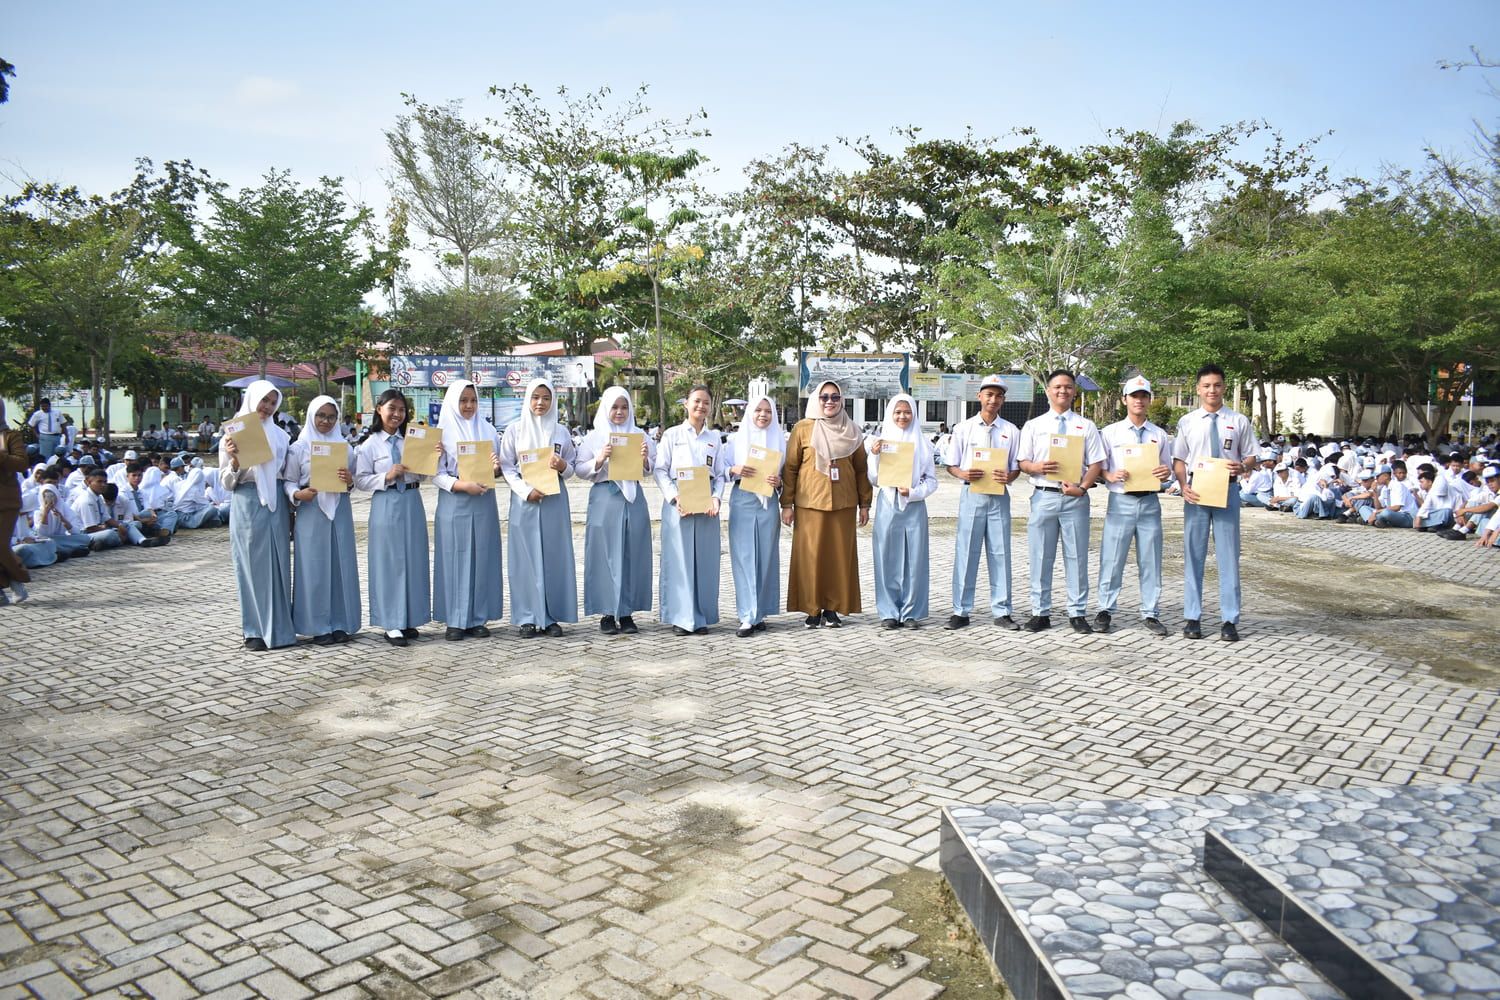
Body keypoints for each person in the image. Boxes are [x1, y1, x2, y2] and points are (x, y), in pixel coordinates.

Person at [1172, 363, 1259, 642]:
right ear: (1198, 389)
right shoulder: (1187, 421)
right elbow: (1178, 460)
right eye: (1206, 385)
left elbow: (1251, 457)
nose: (1212, 390)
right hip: (1197, 493)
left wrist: (1242, 467)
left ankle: (1229, 619)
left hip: (1227, 491)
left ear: (1224, 387)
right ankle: (1192, 617)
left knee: (1228, 556)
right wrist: (1183, 486)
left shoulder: (1239, 420)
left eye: (1217, 385)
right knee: (1193, 555)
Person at [1016, 370, 1107, 633]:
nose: (1062, 391)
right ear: (1047, 391)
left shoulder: (1086, 426)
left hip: (1075, 499)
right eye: (1057, 387)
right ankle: (1039, 611)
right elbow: (1022, 462)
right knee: (1040, 556)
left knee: (1077, 556)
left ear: (1074, 392)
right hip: (1044, 496)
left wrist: (1083, 487)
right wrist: (1037, 465)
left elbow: (1096, 463)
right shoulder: (1034, 426)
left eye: (1068, 387)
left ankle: (1077, 612)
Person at [781, 380, 871, 629]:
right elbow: (790, 468)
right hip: (809, 502)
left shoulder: (852, 430)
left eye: (834, 397)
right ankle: (811, 609)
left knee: (838, 558)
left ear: (842, 400)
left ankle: (832, 609)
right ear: (816, 400)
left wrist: (865, 503)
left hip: (843, 503)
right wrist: (786, 503)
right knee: (810, 557)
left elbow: (861, 469)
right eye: (824, 397)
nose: (829, 402)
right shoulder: (803, 428)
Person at [1095, 376, 1173, 636]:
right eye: (1134, 396)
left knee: (1150, 559)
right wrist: (1109, 476)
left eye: (1144, 396)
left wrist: (1165, 473)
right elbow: (1098, 467)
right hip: (1121, 501)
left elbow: (1167, 470)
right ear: (1124, 399)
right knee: (1113, 557)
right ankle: (1105, 609)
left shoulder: (1159, 435)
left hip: (1150, 501)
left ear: (1150, 400)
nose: (1139, 400)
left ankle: (1150, 612)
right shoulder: (1110, 433)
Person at [219, 380, 295, 650]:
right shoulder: (232, 434)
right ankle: (253, 630)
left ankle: (282, 630)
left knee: (278, 565)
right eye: (264, 400)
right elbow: (226, 483)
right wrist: (235, 463)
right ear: (252, 399)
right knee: (251, 567)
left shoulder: (281, 437)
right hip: (248, 501)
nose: (267, 407)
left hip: (275, 503)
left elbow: (287, 475)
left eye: (273, 402)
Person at [354, 389, 433, 647]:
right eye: (392, 409)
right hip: (386, 502)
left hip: (411, 501)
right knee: (389, 561)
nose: (397, 414)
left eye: (401, 410)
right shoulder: (369, 444)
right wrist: (386, 477)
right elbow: (360, 480)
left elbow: (421, 476)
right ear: (379, 409)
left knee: (413, 558)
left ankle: (410, 618)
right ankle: (391, 622)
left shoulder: (411, 440)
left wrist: (431, 459)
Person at [500, 379, 577, 638]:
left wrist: (562, 466)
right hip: (525, 501)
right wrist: (524, 490)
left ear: (553, 400)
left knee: (554, 557)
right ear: (527, 400)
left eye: (546, 397)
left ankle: (552, 616)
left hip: (555, 500)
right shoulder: (515, 430)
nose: (540, 403)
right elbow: (507, 467)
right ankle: (527, 617)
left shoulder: (561, 432)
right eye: (535, 397)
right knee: (525, 559)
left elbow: (573, 468)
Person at [574, 387, 655, 636]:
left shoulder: (639, 435)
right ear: (606, 409)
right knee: (603, 554)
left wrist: (644, 460)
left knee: (632, 552)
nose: (619, 412)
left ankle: (627, 612)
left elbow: (652, 468)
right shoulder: (594, 437)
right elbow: (579, 469)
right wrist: (599, 459)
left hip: (633, 498)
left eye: (624, 407)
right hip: (605, 497)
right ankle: (608, 613)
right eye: (614, 407)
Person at [943, 376, 1022, 631]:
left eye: (998, 396)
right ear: (979, 396)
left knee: (1000, 553)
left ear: (1003, 400)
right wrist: (963, 474)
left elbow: (1015, 469)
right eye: (989, 394)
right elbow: (951, 465)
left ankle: (1002, 610)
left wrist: (1009, 476)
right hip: (972, 494)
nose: (993, 400)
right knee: (966, 552)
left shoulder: (1011, 431)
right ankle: (960, 610)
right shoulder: (963, 429)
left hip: (999, 496)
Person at [284, 396, 361, 646]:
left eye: (331, 416)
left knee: (341, 564)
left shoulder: (345, 448)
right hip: (311, 507)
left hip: (339, 507)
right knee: (313, 567)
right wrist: (297, 494)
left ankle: (341, 623)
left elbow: (353, 482)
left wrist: (349, 480)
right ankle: (317, 626)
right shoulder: (299, 447)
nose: (325, 421)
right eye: (321, 415)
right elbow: (288, 481)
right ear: (311, 416)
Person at [432, 380, 504, 641]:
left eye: (473, 400)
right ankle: (455, 619)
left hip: (484, 500)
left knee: (481, 557)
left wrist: (495, 469)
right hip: (455, 501)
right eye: (463, 400)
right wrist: (461, 485)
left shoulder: (488, 430)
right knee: (454, 559)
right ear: (453, 401)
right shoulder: (441, 434)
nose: (469, 406)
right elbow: (436, 475)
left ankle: (477, 618)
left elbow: (498, 469)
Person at [654, 385, 728, 635]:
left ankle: (701, 617)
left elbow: (719, 475)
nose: (701, 406)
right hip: (679, 504)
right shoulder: (672, 435)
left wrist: (717, 498)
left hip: (706, 505)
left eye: (706, 402)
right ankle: (681, 617)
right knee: (679, 560)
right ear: (685, 403)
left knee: (705, 562)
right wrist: (675, 498)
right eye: (696, 401)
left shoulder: (715, 438)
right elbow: (660, 469)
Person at [868, 393, 938, 629]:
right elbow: (874, 478)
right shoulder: (881, 441)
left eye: (907, 412)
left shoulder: (924, 444)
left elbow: (932, 480)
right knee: (885, 556)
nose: (902, 416)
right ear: (890, 414)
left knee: (914, 559)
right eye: (897, 412)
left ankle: (910, 612)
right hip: (888, 504)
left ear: (914, 414)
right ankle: (888, 611)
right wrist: (874, 456)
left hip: (914, 506)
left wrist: (914, 492)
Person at [724, 393, 786, 637]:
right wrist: (734, 469)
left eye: (768, 411)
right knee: (744, 558)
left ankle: (761, 612)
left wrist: (779, 482)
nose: (763, 415)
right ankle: (747, 615)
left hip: (768, 502)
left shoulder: (780, 442)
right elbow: (720, 471)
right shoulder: (734, 441)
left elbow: (787, 479)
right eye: (758, 410)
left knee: (767, 557)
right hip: (743, 499)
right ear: (750, 412)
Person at [0, 400, 33, 605]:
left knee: (1, 544)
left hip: (6, 500)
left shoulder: (11, 436)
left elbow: (21, 463)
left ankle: (18, 579)